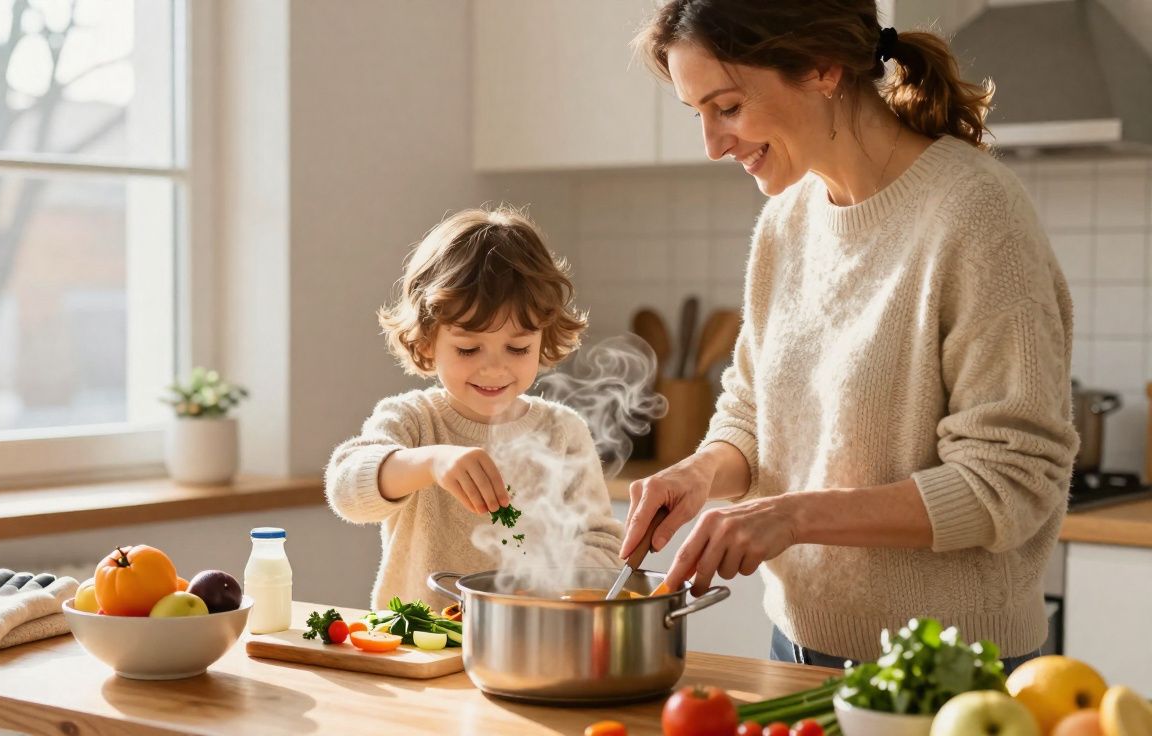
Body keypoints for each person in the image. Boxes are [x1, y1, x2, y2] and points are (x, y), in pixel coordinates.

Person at [621, 0, 1078, 671]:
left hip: (945, 670)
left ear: (822, 69)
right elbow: (753, 415)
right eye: (699, 115)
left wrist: (793, 516)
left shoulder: (978, 215)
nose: (713, 144)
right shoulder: (787, 222)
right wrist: (701, 472)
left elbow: (1011, 483)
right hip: (797, 649)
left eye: (726, 107)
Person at [326, 206, 623, 611]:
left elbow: (603, 545)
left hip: (532, 643)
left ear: (543, 339)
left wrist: (549, 584)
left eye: (518, 348)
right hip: (416, 645)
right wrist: (431, 462)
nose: (495, 367)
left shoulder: (562, 431)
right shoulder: (412, 421)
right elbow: (346, 491)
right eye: (468, 348)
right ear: (428, 340)